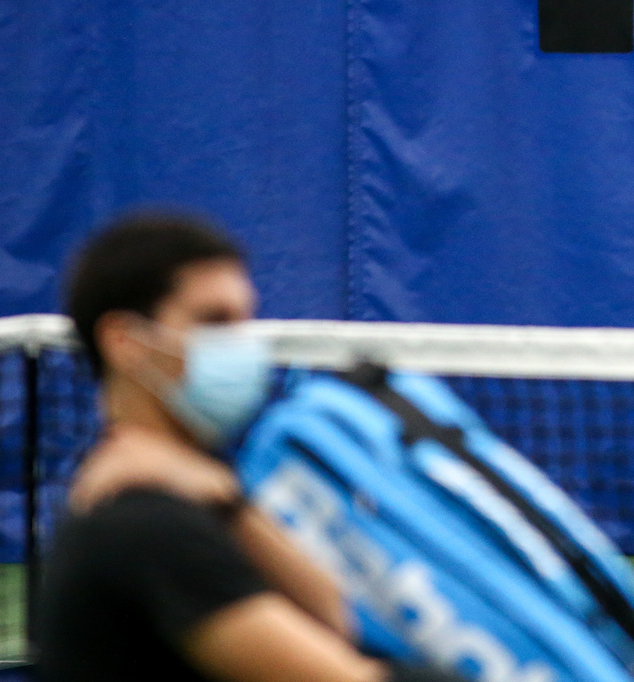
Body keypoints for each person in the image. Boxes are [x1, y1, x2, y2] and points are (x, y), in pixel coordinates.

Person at [38, 213, 450, 682]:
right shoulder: (144, 525)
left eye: (244, 320)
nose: (240, 346)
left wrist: (231, 503)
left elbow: (335, 618)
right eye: (214, 321)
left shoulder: (195, 496)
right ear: (125, 343)